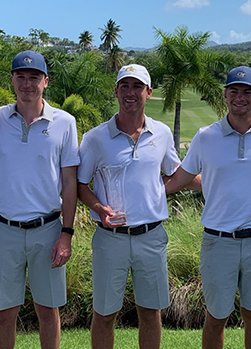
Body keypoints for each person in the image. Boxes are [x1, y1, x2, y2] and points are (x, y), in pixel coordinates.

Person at [165, 66, 251, 349]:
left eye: (247, 92)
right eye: (234, 91)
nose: (240, 97)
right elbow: (181, 179)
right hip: (218, 241)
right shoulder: (205, 136)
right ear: (224, 96)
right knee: (216, 316)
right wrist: (140, 193)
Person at [77, 64, 180, 349]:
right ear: (116, 91)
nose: (130, 93)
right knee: (105, 313)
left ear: (148, 92)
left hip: (151, 237)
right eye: (125, 86)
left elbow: (174, 173)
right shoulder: (95, 138)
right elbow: (80, 185)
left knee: (150, 312)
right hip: (111, 239)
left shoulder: (161, 133)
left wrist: (216, 178)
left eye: (137, 87)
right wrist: (99, 209)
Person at [0, 50, 79, 349]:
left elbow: (69, 182)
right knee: (4, 313)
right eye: (21, 77)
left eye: (34, 78)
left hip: (48, 229)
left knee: (48, 311)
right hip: (5, 230)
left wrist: (66, 233)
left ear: (45, 81)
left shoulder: (64, 122)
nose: (27, 84)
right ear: (12, 79)